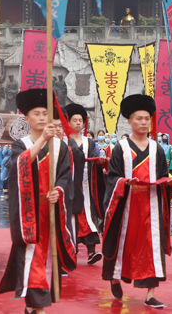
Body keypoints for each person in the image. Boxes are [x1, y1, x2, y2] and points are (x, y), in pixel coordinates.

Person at [0, 88, 76, 314]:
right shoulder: (20, 144)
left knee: (46, 259)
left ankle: (34, 306)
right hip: (28, 213)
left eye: (45, 113)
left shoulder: (61, 147)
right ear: (27, 118)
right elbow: (18, 167)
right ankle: (37, 306)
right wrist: (42, 139)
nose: (42, 117)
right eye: (37, 113)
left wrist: (59, 191)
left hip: (50, 210)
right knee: (32, 258)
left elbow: (65, 176)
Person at [102, 94, 172, 309]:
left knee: (150, 246)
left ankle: (150, 293)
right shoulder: (121, 149)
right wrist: (126, 182)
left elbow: (163, 174)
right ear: (130, 121)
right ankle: (115, 277)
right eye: (139, 118)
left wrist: (169, 182)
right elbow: (112, 178)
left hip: (151, 207)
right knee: (122, 245)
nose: (144, 122)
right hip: (125, 206)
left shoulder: (157, 149)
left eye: (147, 118)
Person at [65, 103, 105, 265]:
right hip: (69, 185)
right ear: (68, 122)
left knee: (89, 217)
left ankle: (91, 252)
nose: (78, 123)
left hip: (86, 186)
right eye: (74, 120)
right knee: (70, 218)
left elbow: (95, 159)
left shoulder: (89, 142)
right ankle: (70, 250)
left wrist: (100, 163)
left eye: (80, 120)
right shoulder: (63, 141)